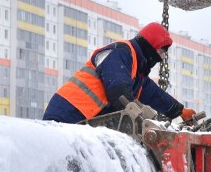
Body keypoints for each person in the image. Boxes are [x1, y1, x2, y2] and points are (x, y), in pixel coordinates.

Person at [43, 22, 196, 125]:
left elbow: (154, 94)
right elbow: (118, 90)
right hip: (67, 113)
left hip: (80, 117)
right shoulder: (121, 52)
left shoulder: (137, 71)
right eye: (161, 51)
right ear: (150, 46)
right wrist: (137, 117)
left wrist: (180, 111)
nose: (162, 57)